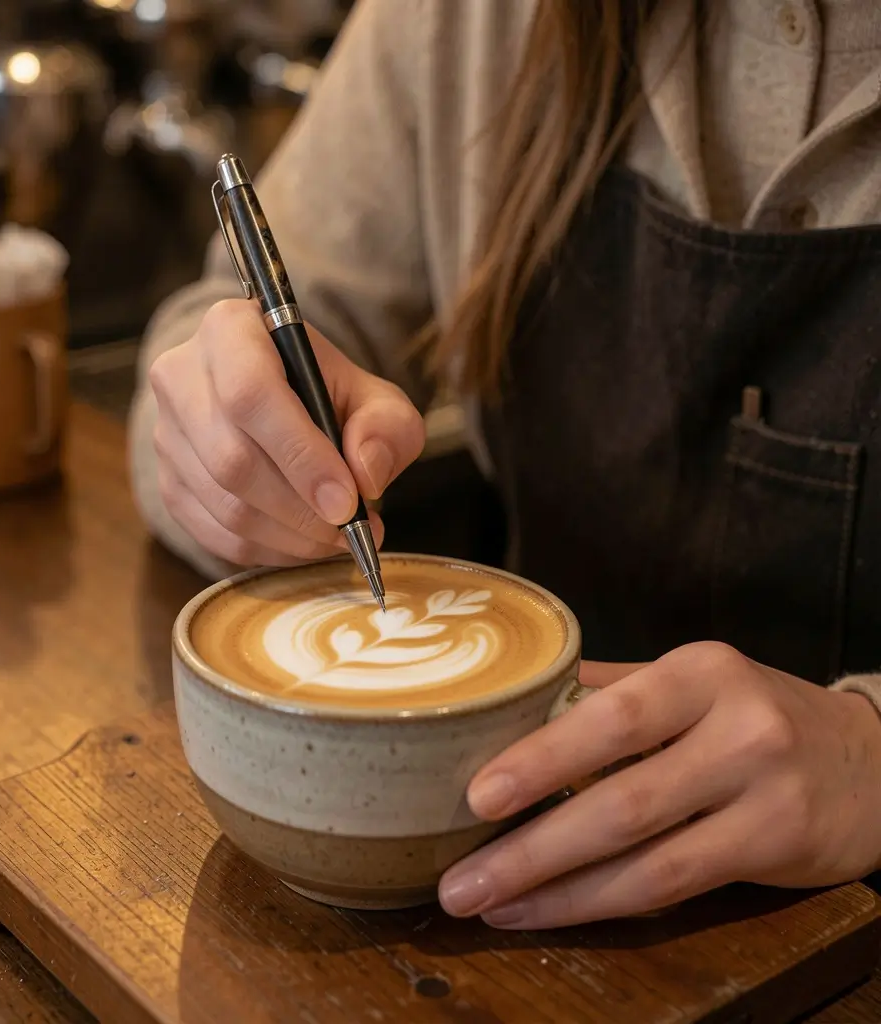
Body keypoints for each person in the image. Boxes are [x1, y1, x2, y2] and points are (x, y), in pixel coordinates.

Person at [129, 0, 881, 930]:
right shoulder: (467, 21)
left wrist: (869, 756)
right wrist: (220, 449)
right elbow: (225, 321)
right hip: (511, 839)